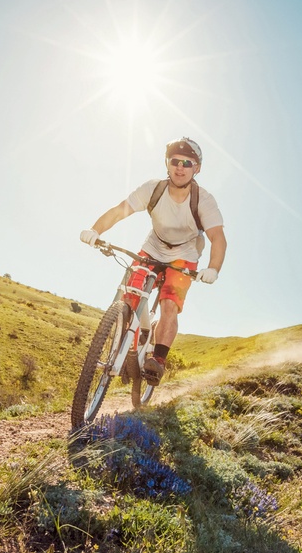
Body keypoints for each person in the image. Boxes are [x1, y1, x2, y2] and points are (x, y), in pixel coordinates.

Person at [80, 137, 226, 385]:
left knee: (169, 303)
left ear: (197, 168)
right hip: (152, 247)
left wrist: (213, 268)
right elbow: (120, 210)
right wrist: (95, 231)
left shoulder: (204, 200)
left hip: (185, 255)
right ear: (167, 164)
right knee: (130, 294)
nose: (180, 167)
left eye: (187, 163)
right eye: (174, 161)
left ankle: (157, 359)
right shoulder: (153, 189)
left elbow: (218, 238)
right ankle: (128, 348)